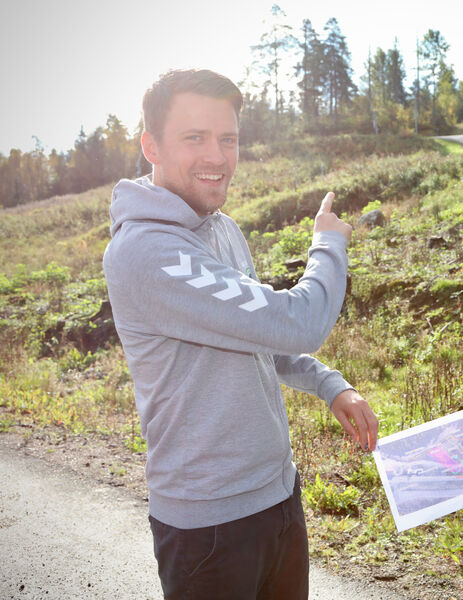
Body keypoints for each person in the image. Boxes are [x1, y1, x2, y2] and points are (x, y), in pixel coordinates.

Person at [103, 68, 378, 600]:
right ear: (151, 146)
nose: (217, 156)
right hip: (208, 527)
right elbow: (299, 321)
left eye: (227, 139)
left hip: (277, 497)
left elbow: (260, 335)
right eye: (195, 137)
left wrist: (329, 385)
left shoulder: (222, 228)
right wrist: (327, 245)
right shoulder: (147, 252)